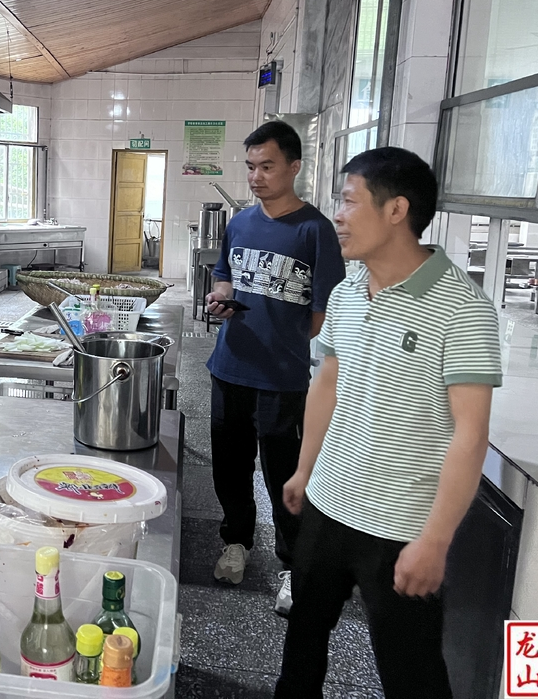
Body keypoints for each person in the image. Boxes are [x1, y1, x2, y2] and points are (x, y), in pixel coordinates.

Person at [274, 148, 502, 698]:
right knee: (302, 642)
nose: (339, 216)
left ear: (397, 210)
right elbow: (328, 382)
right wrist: (306, 469)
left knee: (411, 672)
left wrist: (435, 541)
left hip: (401, 529)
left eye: (349, 202)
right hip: (329, 502)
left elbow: (470, 436)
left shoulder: (463, 308)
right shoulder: (348, 289)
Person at [204, 120, 346, 615]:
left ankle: (292, 565)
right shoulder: (240, 223)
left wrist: (280, 338)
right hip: (230, 366)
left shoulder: (315, 231)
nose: (256, 176)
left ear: (293, 167)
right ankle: (236, 542)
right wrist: (219, 301)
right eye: (250, 167)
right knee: (230, 465)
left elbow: (323, 312)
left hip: (282, 378)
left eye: (267, 166)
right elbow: (225, 278)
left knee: (285, 474)